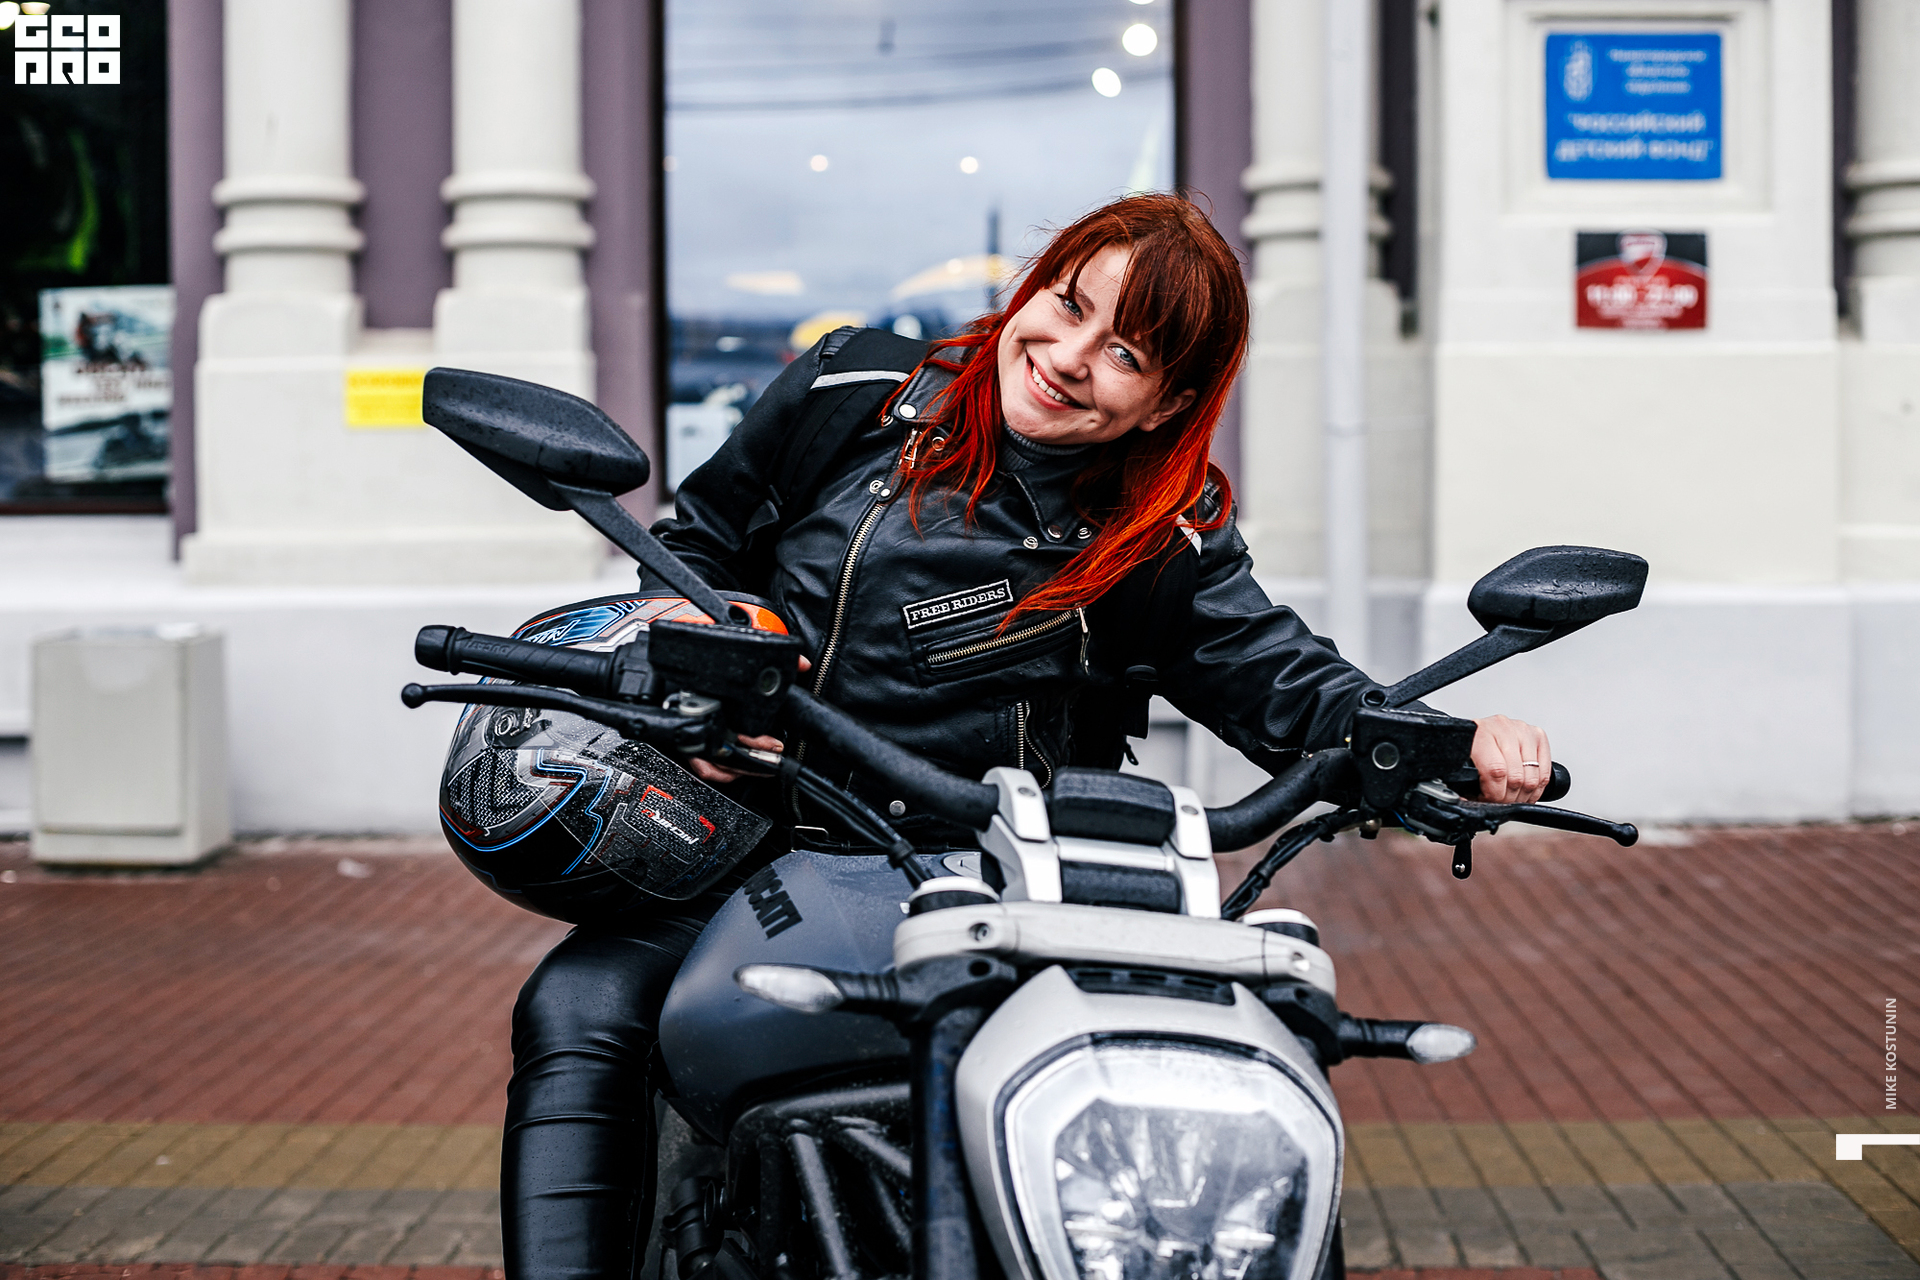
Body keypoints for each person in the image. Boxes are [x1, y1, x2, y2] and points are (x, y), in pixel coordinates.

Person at [499, 193, 1552, 1280]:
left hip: (1004, 874)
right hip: (761, 839)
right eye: (1069, 304)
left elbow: (1277, 674)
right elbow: (697, 542)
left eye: (1126, 353)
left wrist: (1437, 740)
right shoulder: (851, 390)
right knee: (581, 1002)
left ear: (1167, 402)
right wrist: (712, 647)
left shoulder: (1155, 531)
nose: (1069, 356)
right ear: (1033, 287)